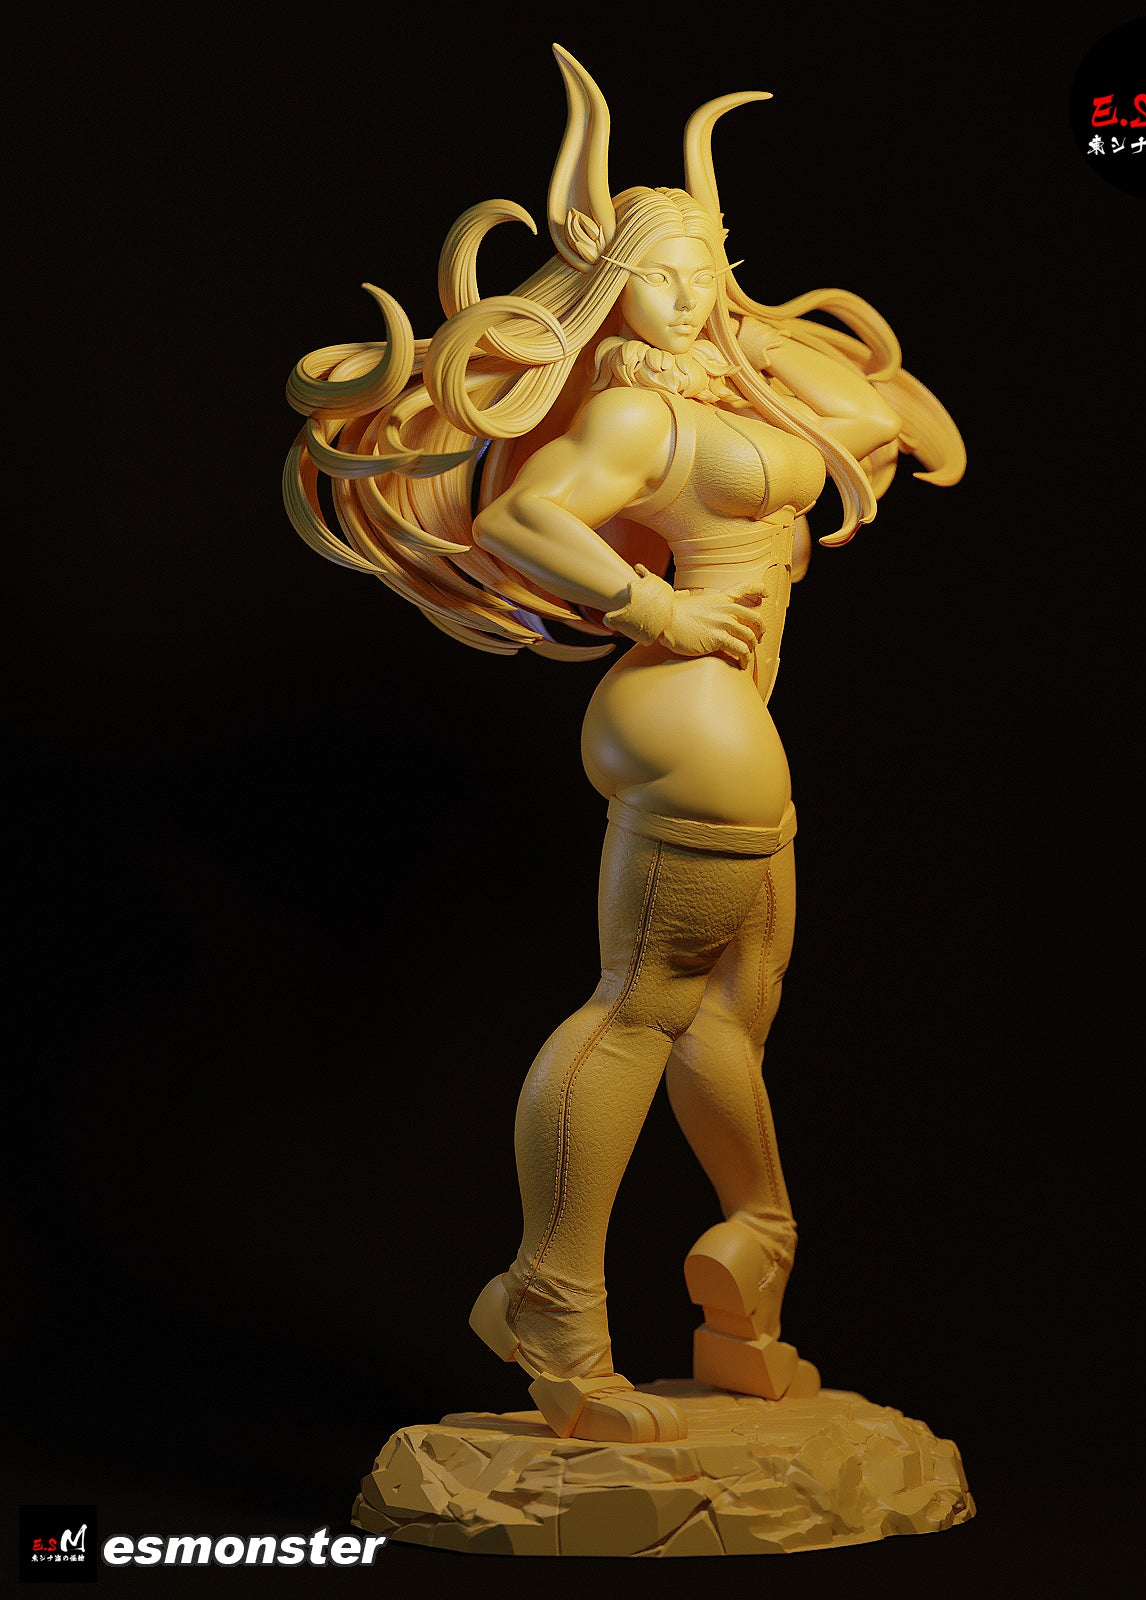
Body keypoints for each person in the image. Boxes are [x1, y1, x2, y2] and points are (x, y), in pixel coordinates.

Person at [283, 46, 964, 1446]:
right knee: (639, 1009)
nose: (694, 291)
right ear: (607, 288)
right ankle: (550, 1301)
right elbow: (519, 517)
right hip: (682, 710)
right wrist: (653, 606)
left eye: (710, 266)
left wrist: (785, 349)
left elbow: (922, 434)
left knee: (729, 1013)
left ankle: (751, 1266)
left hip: (730, 719)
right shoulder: (635, 410)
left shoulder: (732, 391)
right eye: (663, 272)